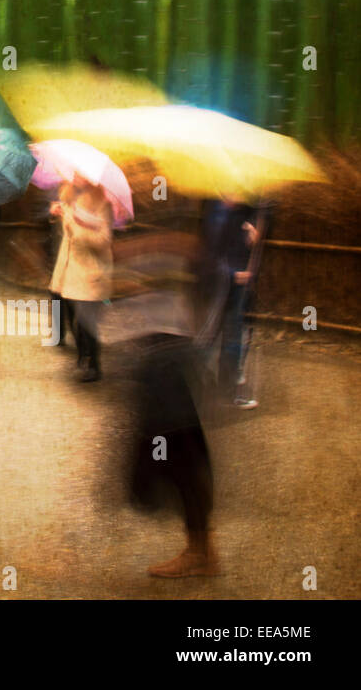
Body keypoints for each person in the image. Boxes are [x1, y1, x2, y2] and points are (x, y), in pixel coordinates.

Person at [109, 231, 219, 578]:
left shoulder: (179, 218)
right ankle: (202, 548)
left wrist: (139, 273)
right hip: (161, 359)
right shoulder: (167, 207)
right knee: (179, 457)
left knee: (178, 458)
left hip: (169, 364)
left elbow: (188, 248)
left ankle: (201, 552)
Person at [199, 196, 272, 408]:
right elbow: (211, 252)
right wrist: (232, 275)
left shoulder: (244, 209)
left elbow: (240, 243)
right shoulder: (216, 210)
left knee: (232, 338)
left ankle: (228, 390)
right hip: (220, 283)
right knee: (209, 336)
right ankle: (201, 387)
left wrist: (251, 235)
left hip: (236, 286)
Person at [49, 177, 114, 382]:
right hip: (69, 268)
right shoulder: (68, 197)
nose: (77, 177)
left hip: (90, 270)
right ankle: (81, 357)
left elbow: (104, 241)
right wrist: (57, 215)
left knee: (87, 321)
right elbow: (67, 234)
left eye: (82, 174)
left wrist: (80, 226)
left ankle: (93, 364)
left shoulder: (103, 204)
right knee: (72, 317)